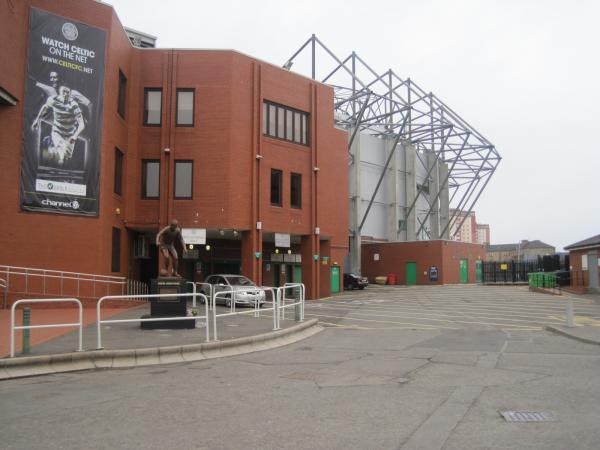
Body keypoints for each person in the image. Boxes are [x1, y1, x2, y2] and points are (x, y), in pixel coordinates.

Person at [31, 85, 85, 165]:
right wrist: (37, 120)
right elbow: (45, 107)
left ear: (70, 94)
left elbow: (82, 124)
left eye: (68, 92)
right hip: (57, 131)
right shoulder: (52, 100)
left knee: (68, 155)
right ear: (59, 91)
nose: (66, 94)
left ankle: (55, 149)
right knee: (61, 153)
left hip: (70, 134)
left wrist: (75, 136)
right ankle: (59, 156)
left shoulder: (74, 105)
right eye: (64, 91)